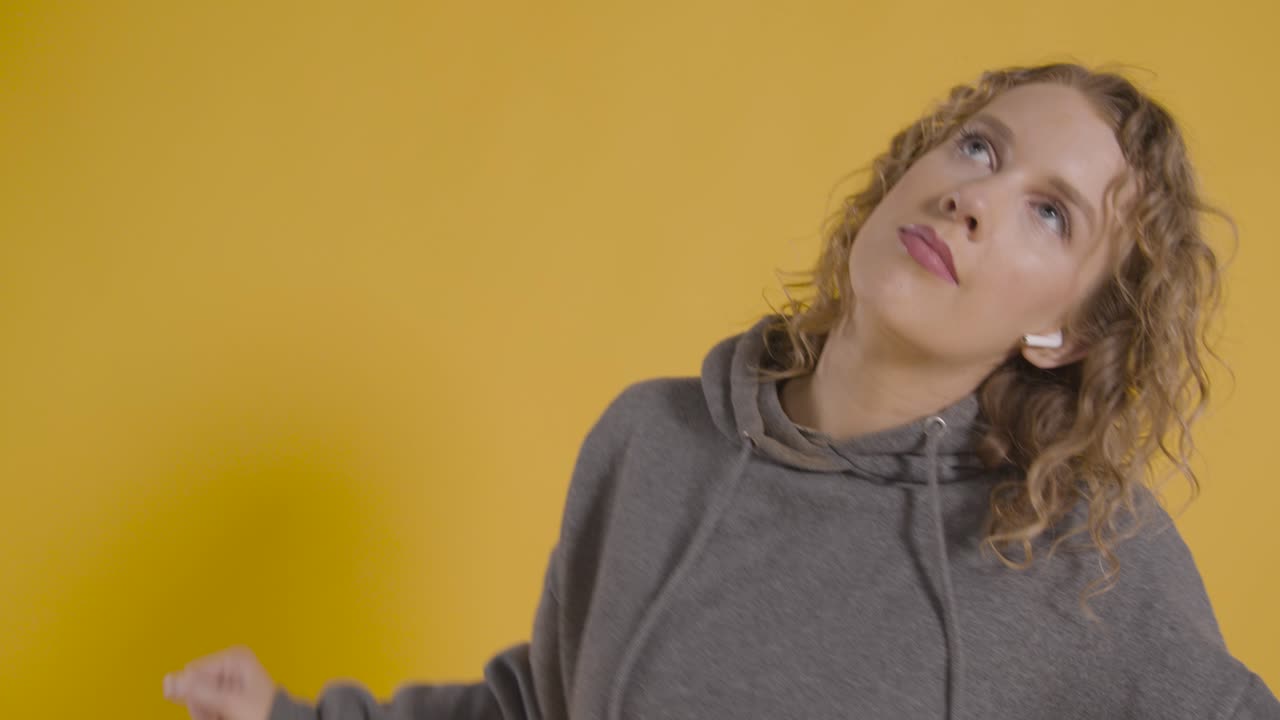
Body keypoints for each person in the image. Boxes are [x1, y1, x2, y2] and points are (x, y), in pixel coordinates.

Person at [161, 62, 1280, 719]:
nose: (973, 198)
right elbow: (540, 706)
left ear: (1064, 332)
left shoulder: (1074, 555)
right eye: (978, 150)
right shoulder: (653, 444)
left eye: (1050, 213)